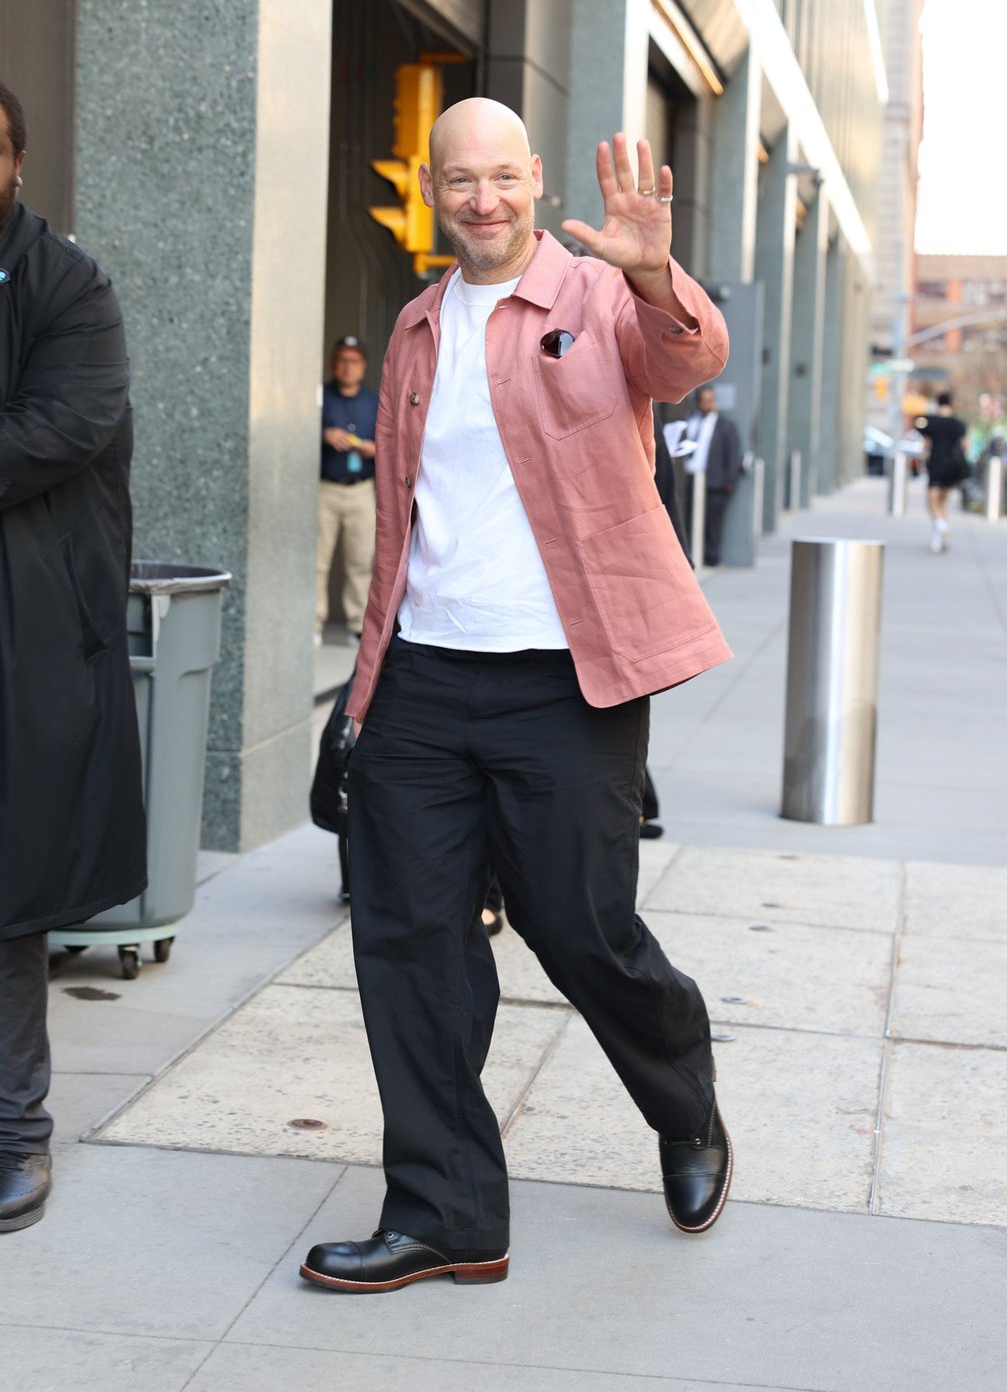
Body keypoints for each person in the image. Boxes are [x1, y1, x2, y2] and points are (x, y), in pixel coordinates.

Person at [300, 99, 733, 1294]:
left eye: (503, 176)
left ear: (535, 179)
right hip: (427, 678)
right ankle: (447, 1212)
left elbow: (686, 360)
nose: (482, 198)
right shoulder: (416, 326)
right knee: (411, 941)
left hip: (565, 682)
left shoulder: (598, 295)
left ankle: (681, 1095)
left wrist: (655, 275)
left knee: (578, 926)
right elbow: (403, 526)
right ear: (430, 190)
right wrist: (368, 690)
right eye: (459, 180)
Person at [0, 72, 145, 1232]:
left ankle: (11, 1135)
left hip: (18, 639)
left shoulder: (66, 286)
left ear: (18, 165)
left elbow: (59, 428)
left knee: (2, 892)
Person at [315, 335, 379, 642]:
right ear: (333, 363)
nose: (347, 367)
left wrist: (374, 449)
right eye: (342, 360)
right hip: (325, 488)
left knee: (361, 561)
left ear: (363, 366)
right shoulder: (319, 396)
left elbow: (393, 444)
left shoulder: (375, 401)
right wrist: (324, 433)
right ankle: (313, 624)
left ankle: (357, 625)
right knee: (316, 561)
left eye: (353, 361)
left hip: (361, 489)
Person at [683, 385, 742, 565]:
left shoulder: (726, 426)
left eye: (710, 400)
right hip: (689, 480)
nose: (707, 404)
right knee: (688, 520)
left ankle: (711, 557)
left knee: (712, 523)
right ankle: (690, 556)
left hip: (714, 483)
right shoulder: (690, 422)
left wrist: (730, 479)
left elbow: (733, 454)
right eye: (703, 401)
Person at [915, 391, 969, 553]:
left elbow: (926, 442)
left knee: (932, 502)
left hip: (937, 463)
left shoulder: (931, 422)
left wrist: (924, 456)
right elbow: (966, 445)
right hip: (953, 466)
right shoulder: (959, 424)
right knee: (943, 502)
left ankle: (942, 526)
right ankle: (937, 540)